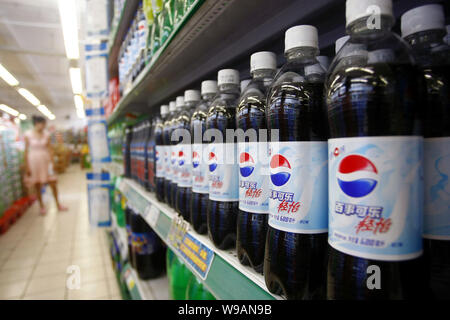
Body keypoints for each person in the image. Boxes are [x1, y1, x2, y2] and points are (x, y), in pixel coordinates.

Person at [24, 115, 67, 215]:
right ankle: (41, 206)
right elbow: (26, 151)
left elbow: (50, 149)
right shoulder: (28, 135)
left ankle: (58, 204)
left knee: (53, 183)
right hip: (34, 161)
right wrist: (27, 166)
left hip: (46, 160)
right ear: (36, 124)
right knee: (37, 184)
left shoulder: (46, 134)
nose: (43, 126)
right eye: (42, 124)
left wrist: (53, 162)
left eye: (44, 124)